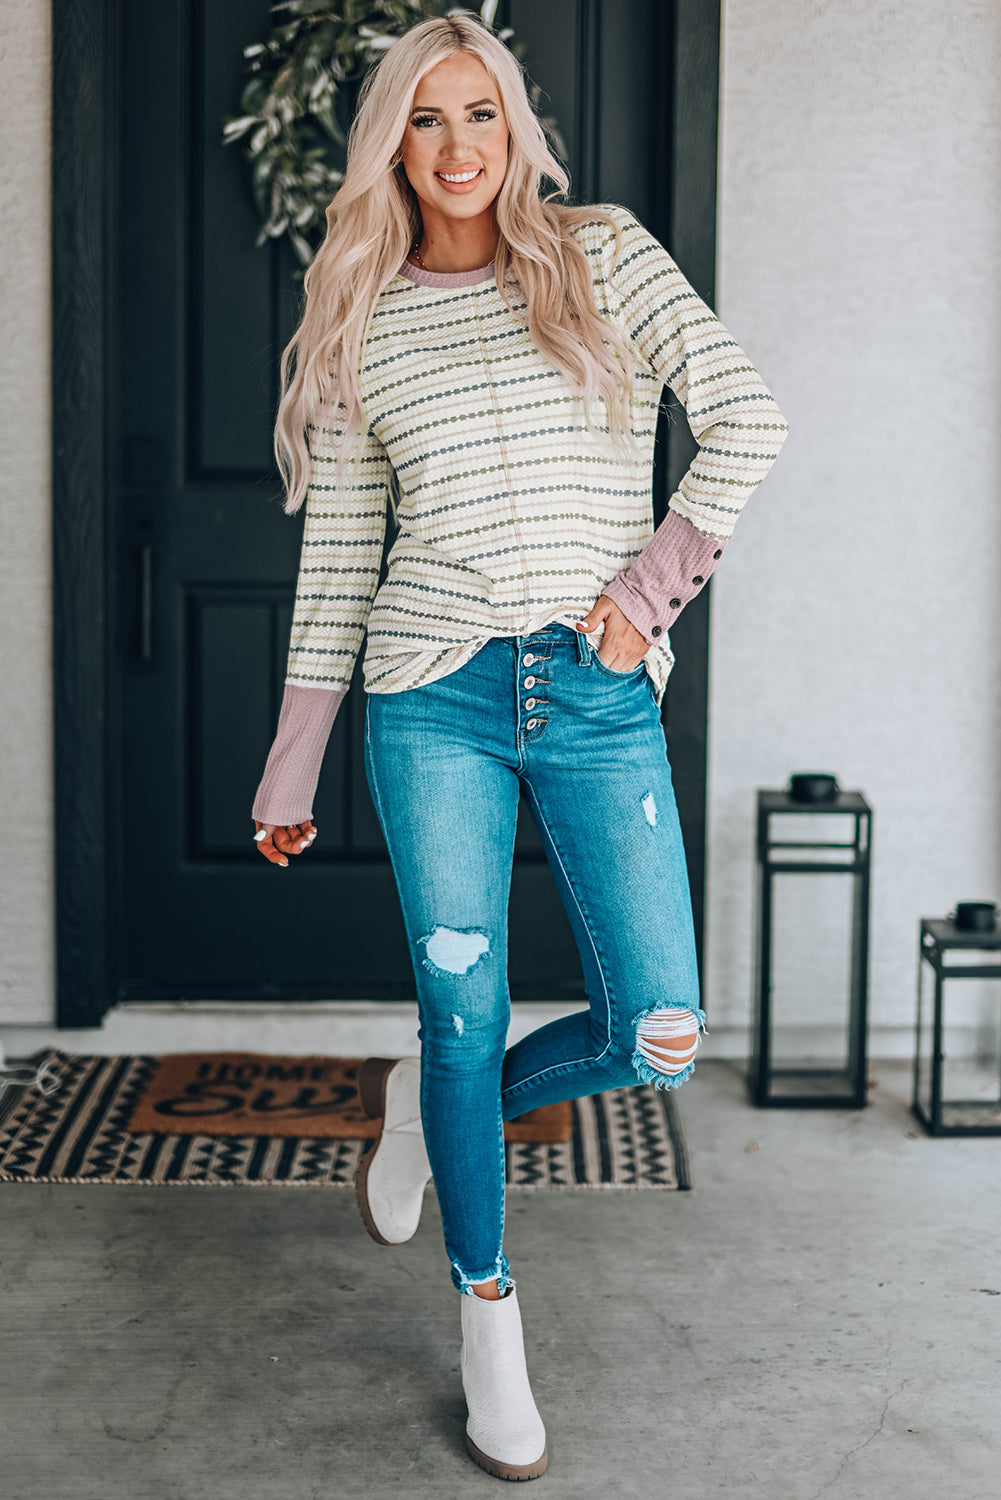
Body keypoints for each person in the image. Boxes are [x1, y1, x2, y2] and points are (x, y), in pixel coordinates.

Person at [250, 10, 788, 1482]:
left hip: (596, 694)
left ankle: (432, 1105)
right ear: (391, 144)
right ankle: (487, 1319)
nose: (458, 147)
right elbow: (345, 552)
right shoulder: (362, 306)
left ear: (515, 125)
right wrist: (293, 753)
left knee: (658, 1035)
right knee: (460, 1004)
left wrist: (643, 592)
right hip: (430, 698)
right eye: (425, 120)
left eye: (478, 113)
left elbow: (745, 418)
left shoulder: (599, 253)